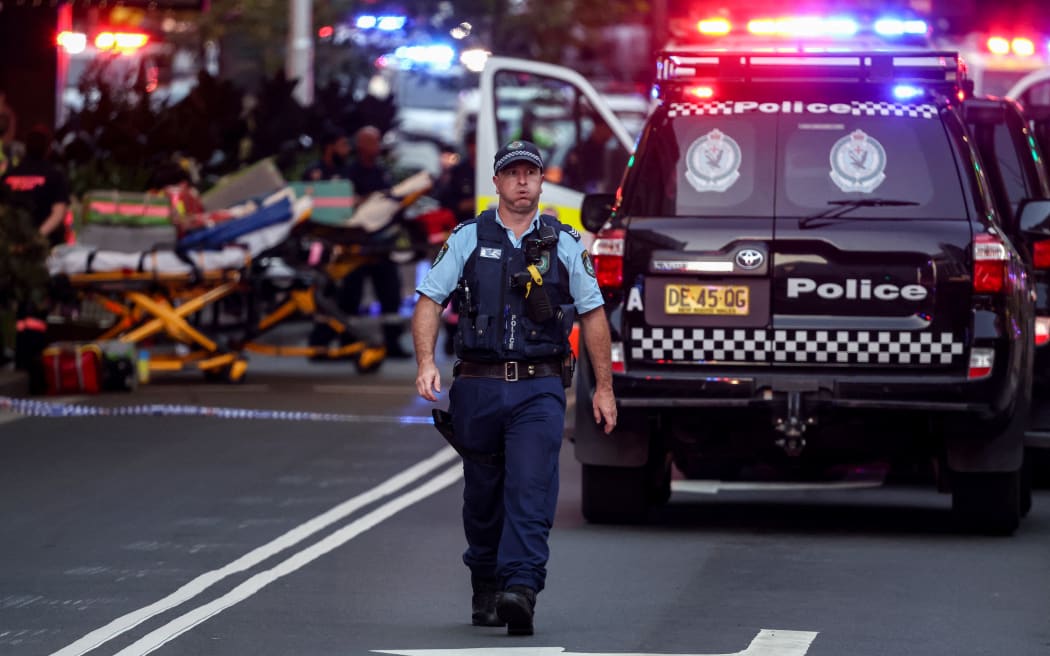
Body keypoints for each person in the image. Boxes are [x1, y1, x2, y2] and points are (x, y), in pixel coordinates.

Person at [411, 139, 617, 636]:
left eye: (531, 173)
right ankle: (485, 580)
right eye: (513, 173)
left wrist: (603, 388)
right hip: (478, 389)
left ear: (542, 182)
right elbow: (428, 301)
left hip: (538, 387)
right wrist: (425, 363)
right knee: (482, 497)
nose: (522, 181)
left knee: (531, 487)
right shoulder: (465, 238)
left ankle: (520, 588)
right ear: (497, 182)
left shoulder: (566, 243)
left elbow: (592, 314)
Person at [339, 125, 410, 358]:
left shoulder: (382, 172)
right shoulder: (350, 173)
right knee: (350, 295)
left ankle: (392, 343)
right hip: (357, 244)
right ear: (361, 146)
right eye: (373, 142)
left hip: (381, 244)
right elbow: (346, 203)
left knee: (390, 294)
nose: (377, 146)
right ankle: (347, 342)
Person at [2, 125, 70, 248]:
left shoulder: (8, 176)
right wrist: (35, 239)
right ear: (48, 148)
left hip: (10, 248)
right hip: (43, 249)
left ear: (25, 147)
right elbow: (58, 214)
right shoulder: (55, 176)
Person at [562, 118, 614, 193]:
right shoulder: (582, 148)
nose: (610, 135)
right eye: (608, 130)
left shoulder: (604, 149)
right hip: (578, 190)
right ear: (598, 128)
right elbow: (570, 170)